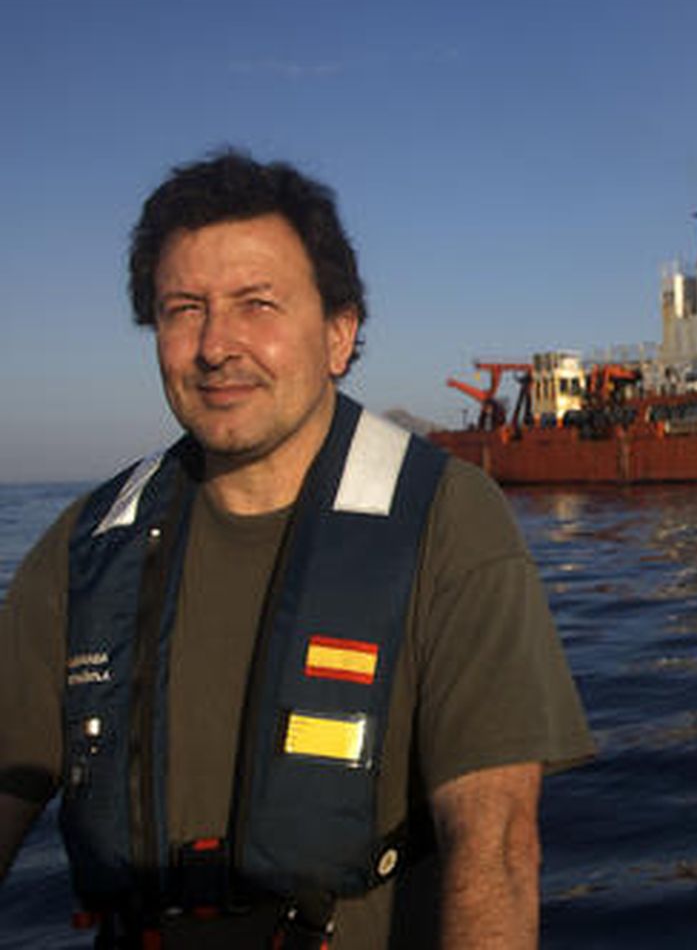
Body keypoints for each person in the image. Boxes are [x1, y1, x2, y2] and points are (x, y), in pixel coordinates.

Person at [0, 151, 595, 948]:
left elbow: (497, 852)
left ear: (338, 335)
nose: (216, 345)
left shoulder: (448, 522)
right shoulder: (83, 546)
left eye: (257, 304)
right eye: (184, 308)